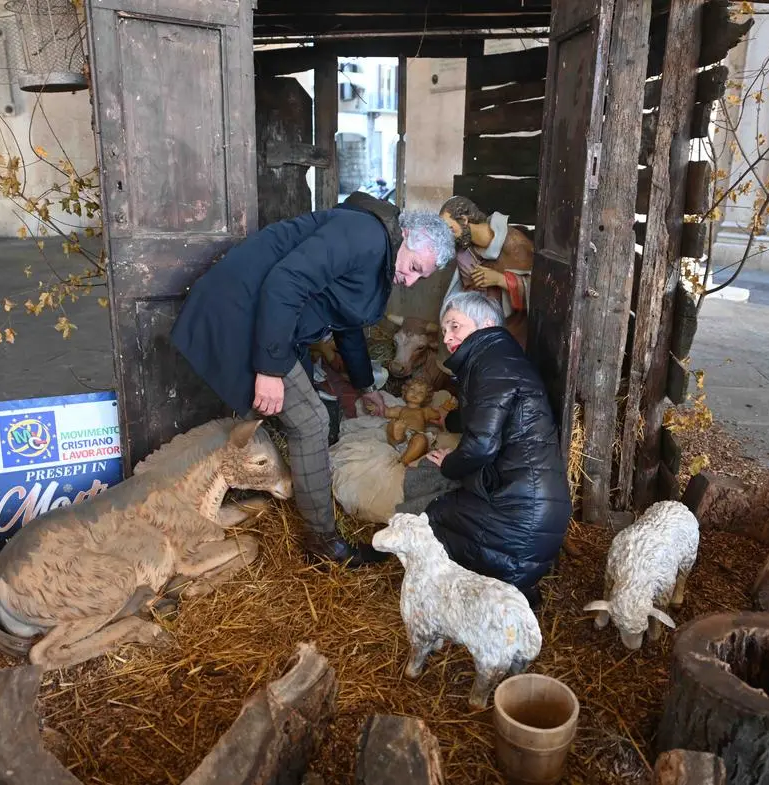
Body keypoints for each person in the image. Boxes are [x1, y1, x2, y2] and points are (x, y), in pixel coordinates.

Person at [170, 191, 456, 567]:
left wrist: (364, 385)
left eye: (422, 275)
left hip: (275, 322)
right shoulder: (363, 235)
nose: (412, 280)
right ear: (406, 236)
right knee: (310, 422)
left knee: (307, 410)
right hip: (242, 315)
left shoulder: (380, 251)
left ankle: (286, 500)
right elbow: (285, 283)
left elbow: (347, 320)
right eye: (416, 267)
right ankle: (323, 542)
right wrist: (270, 369)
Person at [423, 291, 571, 608]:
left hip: (519, 522)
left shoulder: (492, 364)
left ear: (487, 323)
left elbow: (480, 446)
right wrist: (451, 420)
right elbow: (490, 411)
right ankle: (517, 590)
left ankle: (454, 603)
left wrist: (448, 463)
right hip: (538, 517)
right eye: (444, 330)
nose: (447, 338)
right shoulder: (499, 359)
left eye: (455, 326)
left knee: (432, 516)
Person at [438, 196, 533, 352]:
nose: (448, 237)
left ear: (464, 220)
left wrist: (501, 280)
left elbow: (540, 291)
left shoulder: (514, 243)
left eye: (450, 229)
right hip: (477, 330)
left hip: (513, 331)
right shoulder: (464, 251)